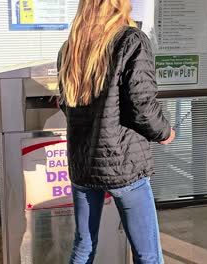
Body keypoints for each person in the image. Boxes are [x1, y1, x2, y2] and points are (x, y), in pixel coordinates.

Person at [57, 0, 175, 263]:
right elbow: (141, 104)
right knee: (147, 254)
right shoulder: (131, 40)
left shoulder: (71, 48)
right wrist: (165, 132)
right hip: (124, 165)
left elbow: (67, 104)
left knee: (84, 243)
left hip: (83, 164)